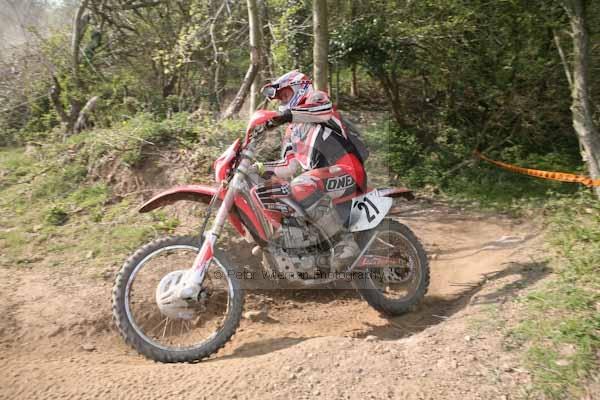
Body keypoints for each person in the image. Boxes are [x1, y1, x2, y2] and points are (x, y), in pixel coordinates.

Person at [255, 70, 368, 270]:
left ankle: (344, 244)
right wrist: (258, 168)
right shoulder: (291, 130)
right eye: (280, 99)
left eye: (285, 95)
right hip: (322, 179)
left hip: (348, 170)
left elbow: (322, 112)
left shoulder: (316, 99)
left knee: (302, 184)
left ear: (300, 87)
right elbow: (288, 166)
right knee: (282, 192)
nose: (283, 101)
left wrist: (287, 115)